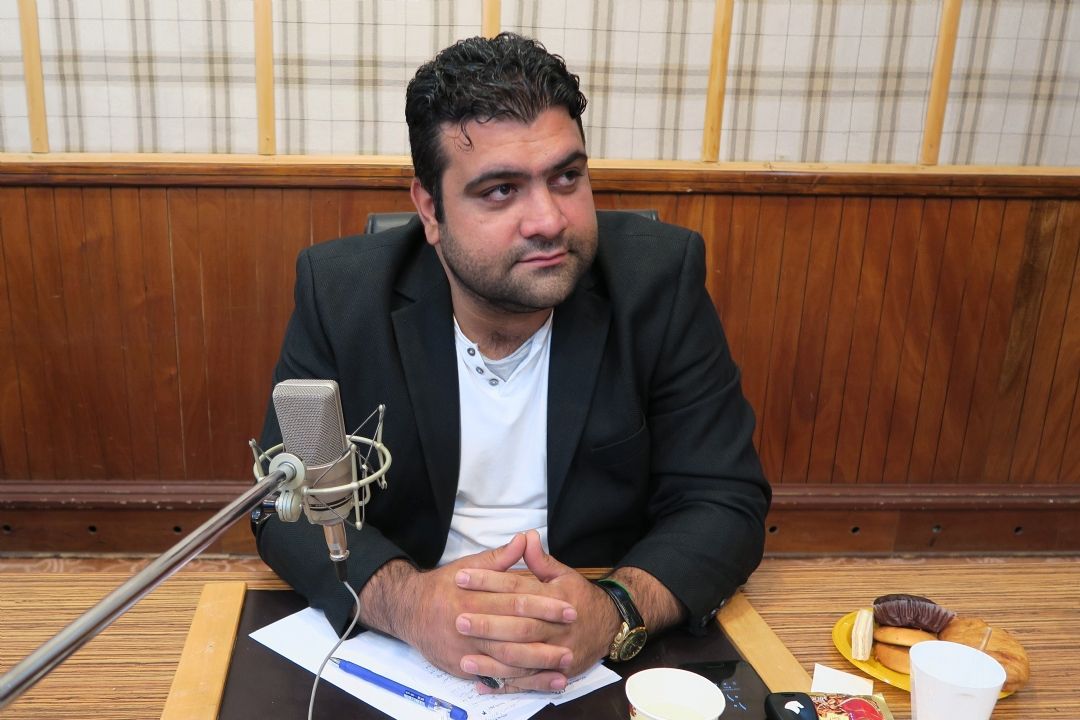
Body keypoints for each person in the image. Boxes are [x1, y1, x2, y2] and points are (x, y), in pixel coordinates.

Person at [255, 32, 770, 695]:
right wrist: (408, 604)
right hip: (405, 654)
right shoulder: (341, 295)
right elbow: (286, 506)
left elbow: (723, 499)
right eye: (501, 190)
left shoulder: (658, 282)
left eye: (567, 177)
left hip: (599, 653)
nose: (548, 220)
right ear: (430, 209)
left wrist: (615, 609)